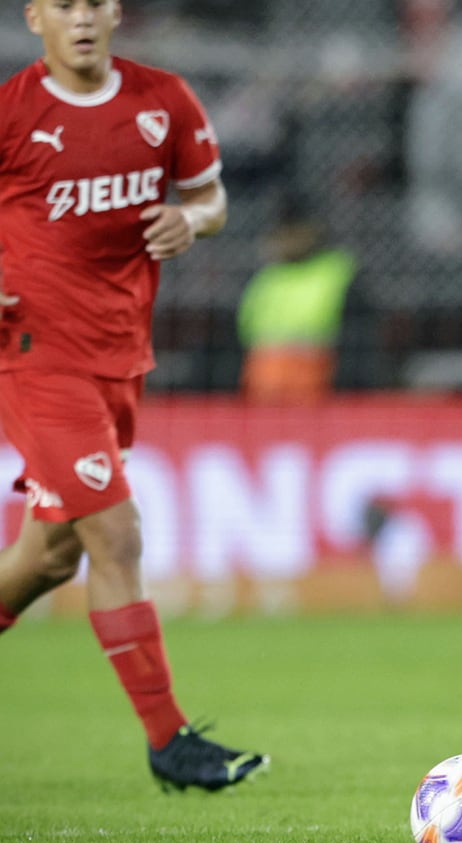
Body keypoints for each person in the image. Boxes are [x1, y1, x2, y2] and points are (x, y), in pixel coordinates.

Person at [0, 0, 267, 791]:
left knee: (49, 556)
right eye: (64, 6)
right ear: (34, 18)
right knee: (115, 534)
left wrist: (194, 219)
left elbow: (212, 198)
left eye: (94, 3)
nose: (81, 19)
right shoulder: (12, 112)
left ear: (115, 12)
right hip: (35, 354)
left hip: (121, 353)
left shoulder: (164, 101)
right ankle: (169, 741)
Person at [238, 209, 357, 405]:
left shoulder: (337, 273)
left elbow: (356, 343)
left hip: (317, 396)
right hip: (262, 397)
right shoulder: (266, 278)